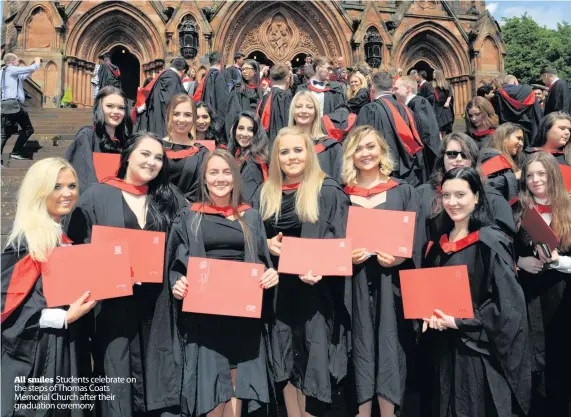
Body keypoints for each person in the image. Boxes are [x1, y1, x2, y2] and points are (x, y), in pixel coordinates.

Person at [152, 149, 279, 417]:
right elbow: (177, 264)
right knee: (210, 386)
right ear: (205, 179)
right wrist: (178, 283)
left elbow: (263, 261)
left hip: (242, 313)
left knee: (237, 381)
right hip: (206, 313)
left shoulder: (251, 217)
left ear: (234, 177)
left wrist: (270, 274)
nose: (220, 178)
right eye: (213, 173)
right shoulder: (190, 217)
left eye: (226, 172)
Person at [67, 132, 185, 417]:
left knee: (157, 376)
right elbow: (76, 248)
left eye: (158, 157)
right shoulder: (98, 194)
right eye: (145, 154)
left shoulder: (167, 197)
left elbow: (192, 233)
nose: (152, 162)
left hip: (157, 306)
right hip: (113, 307)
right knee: (116, 374)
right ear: (128, 155)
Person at [253, 126, 351, 417]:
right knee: (284, 358)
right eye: (284, 152)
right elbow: (255, 239)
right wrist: (265, 244)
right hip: (278, 291)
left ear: (309, 153)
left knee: (311, 360)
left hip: (315, 292)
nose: (292, 157)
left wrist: (321, 268)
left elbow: (340, 240)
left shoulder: (328, 190)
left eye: (298, 150)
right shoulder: (265, 193)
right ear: (276, 158)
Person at [422, 167, 530, 417]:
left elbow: (507, 306)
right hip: (444, 351)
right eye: (446, 195)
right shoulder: (438, 244)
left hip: (479, 354)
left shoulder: (490, 242)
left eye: (460, 195)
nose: (452, 202)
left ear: (477, 197)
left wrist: (460, 321)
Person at [1, 158, 95, 416]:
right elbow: (9, 308)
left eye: (72, 186)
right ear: (39, 190)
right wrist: (63, 317)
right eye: (57, 186)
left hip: (68, 347)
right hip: (39, 355)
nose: (67, 193)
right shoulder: (25, 245)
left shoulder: (64, 240)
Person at [342, 126, 423, 417]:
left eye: (370, 147)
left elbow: (416, 239)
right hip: (355, 284)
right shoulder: (341, 195)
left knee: (390, 348)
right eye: (358, 148)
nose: (365, 153)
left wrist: (400, 259)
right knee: (359, 346)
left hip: (391, 284)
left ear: (382, 152)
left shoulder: (403, 191)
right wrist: (345, 256)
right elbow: (331, 240)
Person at [511, 152, 571, 417]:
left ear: (553, 176)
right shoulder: (517, 210)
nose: (535, 180)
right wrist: (519, 262)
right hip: (527, 296)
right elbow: (501, 251)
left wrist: (558, 262)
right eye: (530, 175)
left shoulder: (569, 209)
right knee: (530, 363)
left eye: (541, 174)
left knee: (559, 361)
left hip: (561, 295)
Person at [417, 133, 516, 245]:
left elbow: (505, 239)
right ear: (442, 158)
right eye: (452, 154)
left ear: (473, 160)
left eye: (465, 155)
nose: (458, 159)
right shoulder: (423, 194)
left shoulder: (491, 197)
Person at [356, 71, 428, 187]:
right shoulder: (408, 110)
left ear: (372, 88)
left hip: (381, 176)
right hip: (410, 177)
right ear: (391, 88)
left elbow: (359, 142)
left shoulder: (370, 109)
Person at [65, 86, 133, 193]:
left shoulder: (127, 142)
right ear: (99, 108)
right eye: (109, 106)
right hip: (94, 203)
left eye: (121, 108)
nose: (116, 111)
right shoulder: (87, 136)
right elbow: (80, 178)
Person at [162, 94, 209, 201]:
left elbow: (199, 190)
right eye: (176, 114)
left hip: (186, 211)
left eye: (187, 115)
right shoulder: (155, 146)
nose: (181, 120)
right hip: (154, 210)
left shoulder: (202, 153)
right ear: (169, 115)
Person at [289, 91, 343, 183]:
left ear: (316, 112)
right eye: (298, 107)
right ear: (292, 111)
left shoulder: (331, 147)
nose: (304, 111)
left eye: (309, 107)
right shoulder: (283, 144)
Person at [394, 75, 441, 171]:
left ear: (407, 88)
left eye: (396, 88)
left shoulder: (419, 103)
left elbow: (426, 134)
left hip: (424, 161)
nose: (393, 92)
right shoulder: (406, 106)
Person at [135, 56, 188, 138]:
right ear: (183, 71)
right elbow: (172, 104)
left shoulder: (162, 76)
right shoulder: (172, 78)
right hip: (165, 126)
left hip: (155, 122)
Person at [0, 53, 40, 162]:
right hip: (13, 105)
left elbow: (23, 75)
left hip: (5, 105)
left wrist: (32, 70)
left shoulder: (4, 72)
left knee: (5, 133)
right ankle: (15, 152)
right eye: (17, 60)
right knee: (28, 129)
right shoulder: (11, 69)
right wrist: (37, 62)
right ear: (12, 62)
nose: (19, 62)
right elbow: (29, 68)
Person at [227, 111, 270, 204]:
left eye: (250, 130)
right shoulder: (237, 155)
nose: (244, 134)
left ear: (257, 133)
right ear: (234, 130)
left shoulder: (254, 164)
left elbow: (246, 201)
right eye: (241, 128)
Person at [490, 75, 541, 147]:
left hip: (507, 130)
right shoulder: (528, 92)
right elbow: (537, 114)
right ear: (515, 82)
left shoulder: (497, 96)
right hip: (527, 130)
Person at [479, 122, 524, 201]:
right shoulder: (491, 158)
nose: (521, 143)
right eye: (518, 138)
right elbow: (484, 186)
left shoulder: (508, 158)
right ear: (505, 138)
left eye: (522, 140)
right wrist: (514, 176)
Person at [257, 64, 292, 148]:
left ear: (270, 78)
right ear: (287, 78)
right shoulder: (283, 96)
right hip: (279, 144)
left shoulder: (265, 95)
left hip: (264, 143)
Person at [226, 59, 262, 138]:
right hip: (243, 129)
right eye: (243, 69)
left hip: (258, 128)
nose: (244, 72)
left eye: (247, 69)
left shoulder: (261, 90)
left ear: (255, 71)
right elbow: (233, 112)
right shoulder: (237, 89)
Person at [193, 51, 230, 122]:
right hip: (214, 120)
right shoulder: (217, 75)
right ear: (221, 61)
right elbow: (222, 102)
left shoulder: (207, 75)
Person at [432, 69, 455, 137]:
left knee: (444, 126)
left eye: (434, 74)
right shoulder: (433, 85)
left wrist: (447, 102)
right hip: (436, 108)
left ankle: (443, 140)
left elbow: (450, 94)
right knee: (438, 127)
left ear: (438, 75)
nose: (433, 75)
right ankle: (440, 140)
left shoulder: (446, 84)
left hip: (445, 108)